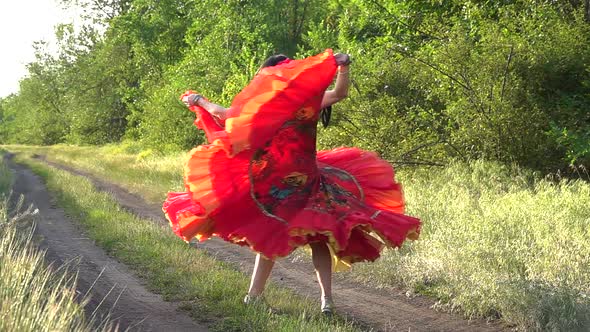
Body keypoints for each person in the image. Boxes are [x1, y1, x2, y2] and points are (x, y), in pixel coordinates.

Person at [163, 49, 420, 315]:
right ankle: (324, 300)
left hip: (283, 182)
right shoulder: (304, 102)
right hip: (302, 180)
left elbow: (225, 114)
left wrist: (199, 101)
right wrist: (343, 68)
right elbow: (339, 94)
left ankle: (264, 297)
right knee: (318, 234)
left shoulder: (267, 107)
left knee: (278, 232)